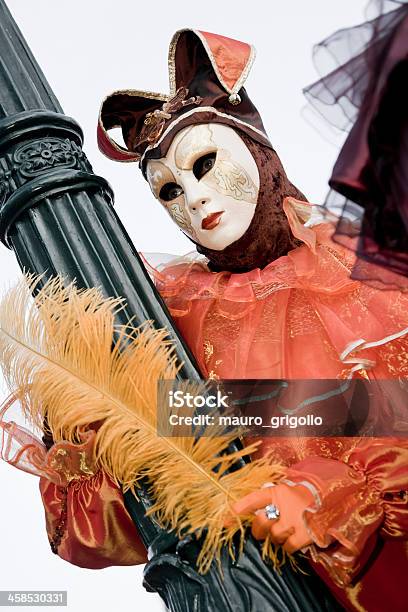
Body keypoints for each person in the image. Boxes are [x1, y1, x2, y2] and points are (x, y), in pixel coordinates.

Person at [1, 27, 407, 612]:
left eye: (205, 164)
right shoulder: (175, 314)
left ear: (260, 156)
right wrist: (95, 427)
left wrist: (326, 493)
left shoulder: (369, 283)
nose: (191, 198)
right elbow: (137, 507)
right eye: (166, 189)